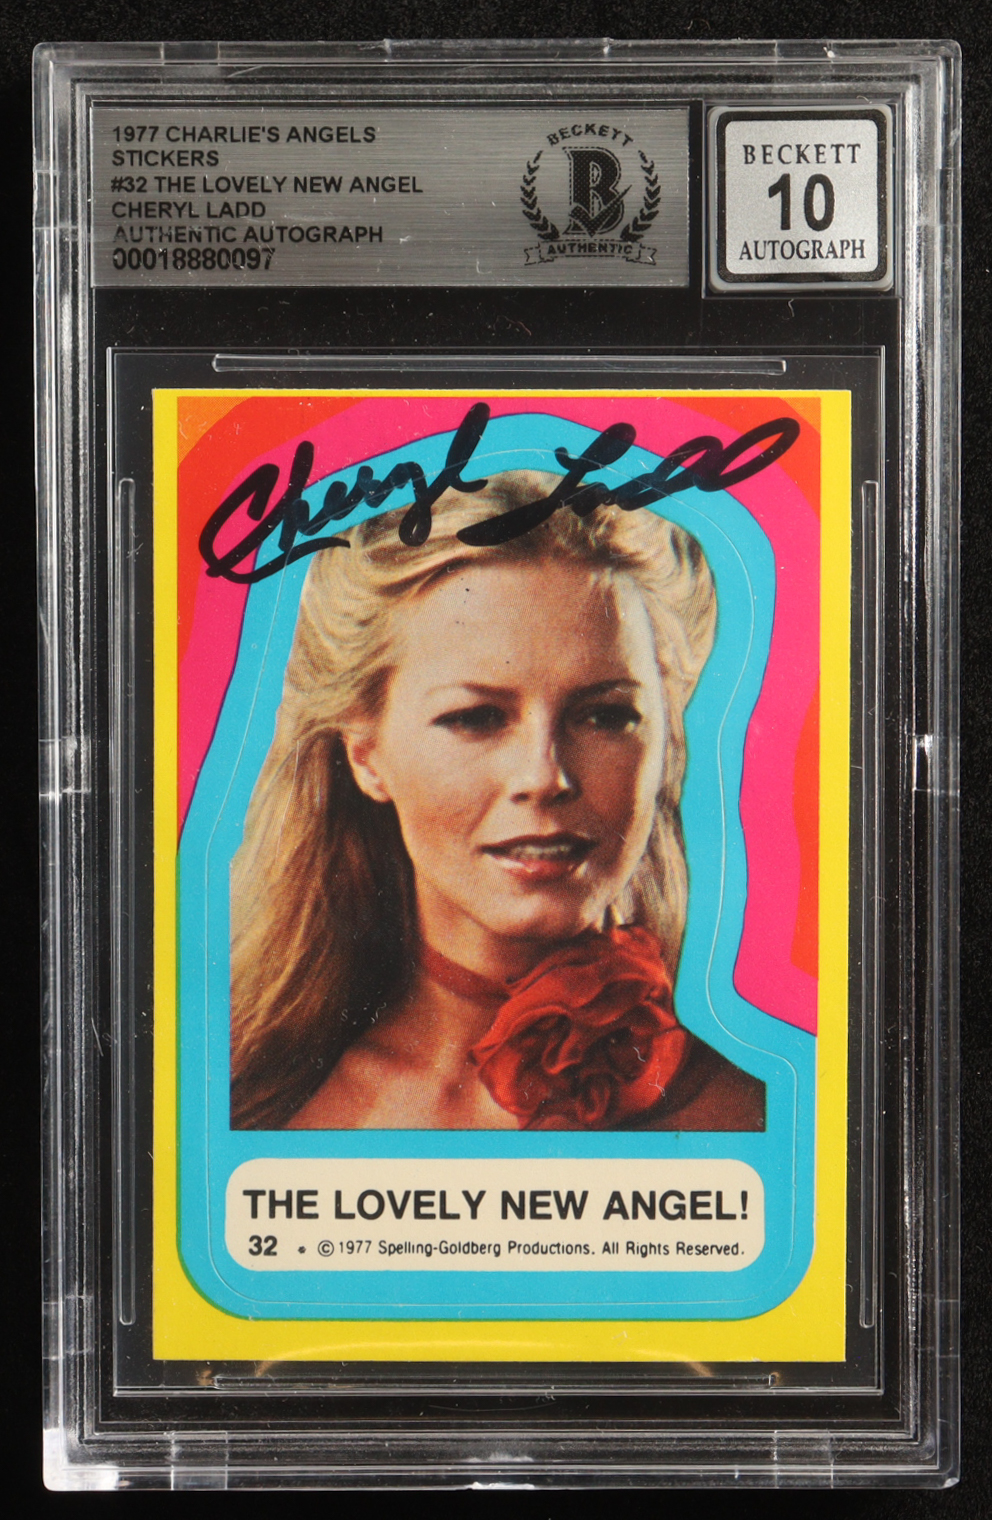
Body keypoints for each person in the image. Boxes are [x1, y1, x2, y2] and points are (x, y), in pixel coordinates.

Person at [230, 469, 765, 1132]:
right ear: (365, 754)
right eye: (476, 718)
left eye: (604, 715)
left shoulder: (746, 1120)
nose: (545, 777)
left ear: (665, 743)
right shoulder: (251, 1099)